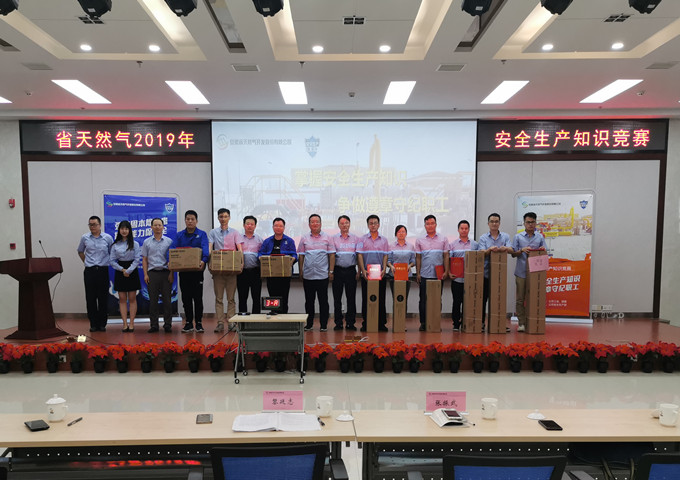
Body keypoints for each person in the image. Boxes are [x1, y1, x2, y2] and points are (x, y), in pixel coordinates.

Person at [172, 210, 209, 334]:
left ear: (196, 221)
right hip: (184, 272)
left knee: (198, 298)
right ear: (185, 221)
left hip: (197, 271)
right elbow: (172, 250)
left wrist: (204, 261)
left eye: (192, 219)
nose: (190, 221)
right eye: (188, 219)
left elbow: (205, 250)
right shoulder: (179, 235)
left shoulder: (202, 234)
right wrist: (170, 261)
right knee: (186, 298)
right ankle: (188, 322)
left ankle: (198, 323)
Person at [298, 214, 336, 331]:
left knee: (323, 301)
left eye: (317, 222)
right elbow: (301, 256)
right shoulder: (304, 238)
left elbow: (332, 255)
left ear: (321, 223)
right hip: (308, 275)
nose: (315, 224)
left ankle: (323, 325)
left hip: (322, 275)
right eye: (312, 222)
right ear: (309, 224)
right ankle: (309, 324)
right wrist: (300, 271)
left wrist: (331, 271)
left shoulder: (328, 237)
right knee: (309, 302)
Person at [208, 208, 243, 333]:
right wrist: (210, 262)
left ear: (229, 218)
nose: (223, 219)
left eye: (225, 216)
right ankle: (220, 323)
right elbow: (210, 248)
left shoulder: (235, 232)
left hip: (231, 270)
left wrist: (241, 263)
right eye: (221, 216)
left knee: (231, 298)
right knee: (219, 298)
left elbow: (239, 249)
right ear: (218, 218)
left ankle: (231, 322)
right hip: (218, 271)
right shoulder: (213, 232)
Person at [511, 211, 547, 332]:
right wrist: (521, 250)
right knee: (520, 299)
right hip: (521, 272)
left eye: (532, 222)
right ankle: (521, 323)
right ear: (524, 223)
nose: (530, 224)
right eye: (528, 222)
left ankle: (533, 322)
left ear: (536, 223)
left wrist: (542, 250)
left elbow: (545, 252)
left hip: (535, 273)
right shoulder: (518, 237)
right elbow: (513, 254)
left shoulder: (540, 237)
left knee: (534, 298)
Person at [77, 215, 113, 332]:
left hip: (103, 270)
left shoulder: (107, 238)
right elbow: (80, 251)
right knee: (90, 298)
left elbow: (111, 252)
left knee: (103, 298)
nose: (92, 227)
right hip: (90, 271)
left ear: (100, 225)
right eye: (90, 225)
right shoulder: (85, 237)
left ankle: (102, 324)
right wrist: (86, 262)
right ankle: (93, 323)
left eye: (94, 224)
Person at [477, 212, 513, 331]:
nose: (494, 224)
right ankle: (482, 323)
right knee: (483, 299)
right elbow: (481, 253)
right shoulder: (483, 238)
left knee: (499, 299)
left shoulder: (505, 236)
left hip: (499, 275)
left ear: (499, 223)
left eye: (496, 221)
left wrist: (505, 248)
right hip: (486, 273)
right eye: (492, 221)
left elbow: (512, 249)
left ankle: (499, 323)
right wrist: (489, 250)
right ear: (488, 223)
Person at [415, 215, 449, 332]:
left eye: (432, 223)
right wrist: (418, 273)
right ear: (425, 225)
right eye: (428, 224)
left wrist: (446, 271)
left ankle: (435, 322)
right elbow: (418, 258)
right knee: (423, 300)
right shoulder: (419, 240)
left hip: (439, 275)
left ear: (436, 224)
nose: (430, 225)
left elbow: (446, 256)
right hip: (424, 274)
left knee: (437, 300)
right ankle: (423, 323)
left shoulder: (443, 239)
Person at [357, 214, 389, 332]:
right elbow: (359, 255)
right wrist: (363, 270)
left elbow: (385, 255)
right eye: (371, 223)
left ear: (379, 225)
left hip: (380, 274)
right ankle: (366, 322)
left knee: (381, 299)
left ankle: (381, 323)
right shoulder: (361, 240)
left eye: (375, 223)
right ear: (368, 225)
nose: (373, 225)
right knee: (367, 299)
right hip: (367, 274)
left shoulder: (384, 240)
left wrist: (384, 269)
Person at [142, 217, 174, 333]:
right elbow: (144, 259)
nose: (157, 227)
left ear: (163, 227)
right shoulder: (147, 242)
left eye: (159, 225)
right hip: (152, 273)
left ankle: (167, 324)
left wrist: (172, 273)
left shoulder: (169, 241)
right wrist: (145, 274)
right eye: (155, 225)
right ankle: (154, 325)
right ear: (151, 227)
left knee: (167, 301)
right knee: (153, 301)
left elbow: (173, 259)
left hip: (166, 273)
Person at [258, 217, 297, 313]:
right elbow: (260, 253)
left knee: (284, 297)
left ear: (284, 228)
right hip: (271, 275)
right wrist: (260, 258)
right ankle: (274, 315)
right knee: (273, 298)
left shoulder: (289, 241)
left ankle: (284, 317)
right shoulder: (267, 241)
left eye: (280, 226)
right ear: (272, 227)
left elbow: (294, 255)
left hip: (285, 275)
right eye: (276, 226)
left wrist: (293, 259)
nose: (278, 228)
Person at [109, 220, 141, 332]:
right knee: (122, 299)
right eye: (122, 228)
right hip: (120, 271)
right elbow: (112, 261)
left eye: (126, 229)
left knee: (132, 298)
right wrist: (122, 269)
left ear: (129, 230)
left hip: (132, 271)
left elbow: (137, 259)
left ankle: (131, 323)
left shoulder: (135, 244)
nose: (124, 231)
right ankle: (124, 324)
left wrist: (129, 270)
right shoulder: (115, 245)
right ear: (119, 230)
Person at [449, 220, 478, 332]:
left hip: (470, 280)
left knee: (469, 302)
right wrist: (449, 272)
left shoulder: (475, 244)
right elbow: (449, 260)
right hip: (457, 279)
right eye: (462, 228)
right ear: (458, 230)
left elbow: (478, 260)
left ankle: (467, 322)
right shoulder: (453, 244)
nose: (464, 230)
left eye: (466, 228)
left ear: (469, 230)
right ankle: (456, 323)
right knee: (457, 302)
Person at [331, 215, 359, 331]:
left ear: (349, 224)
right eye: (342, 223)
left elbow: (359, 256)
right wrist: (331, 271)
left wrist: (359, 271)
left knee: (351, 298)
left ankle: (350, 323)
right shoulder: (333, 238)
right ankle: (338, 323)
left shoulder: (356, 238)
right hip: (337, 270)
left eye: (346, 223)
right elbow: (332, 255)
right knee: (337, 298)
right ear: (338, 225)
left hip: (351, 270)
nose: (344, 225)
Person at [387, 225, 415, 314]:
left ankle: (403, 320)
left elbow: (413, 261)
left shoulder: (411, 246)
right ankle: (396, 319)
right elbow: (388, 261)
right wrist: (391, 266)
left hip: (406, 276)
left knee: (404, 298)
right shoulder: (391, 246)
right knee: (396, 298)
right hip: (394, 276)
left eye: (403, 232)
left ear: (406, 233)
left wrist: (410, 266)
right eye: (399, 232)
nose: (401, 234)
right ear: (396, 234)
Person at [237, 215, 263, 314]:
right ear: (244, 225)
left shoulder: (260, 239)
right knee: (242, 297)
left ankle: (256, 320)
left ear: (255, 226)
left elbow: (262, 255)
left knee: (256, 297)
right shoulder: (238, 239)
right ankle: (242, 320)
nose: (250, 226)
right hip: (242, 272)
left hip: (255, 272)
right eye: (247, 224)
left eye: (252, 224)